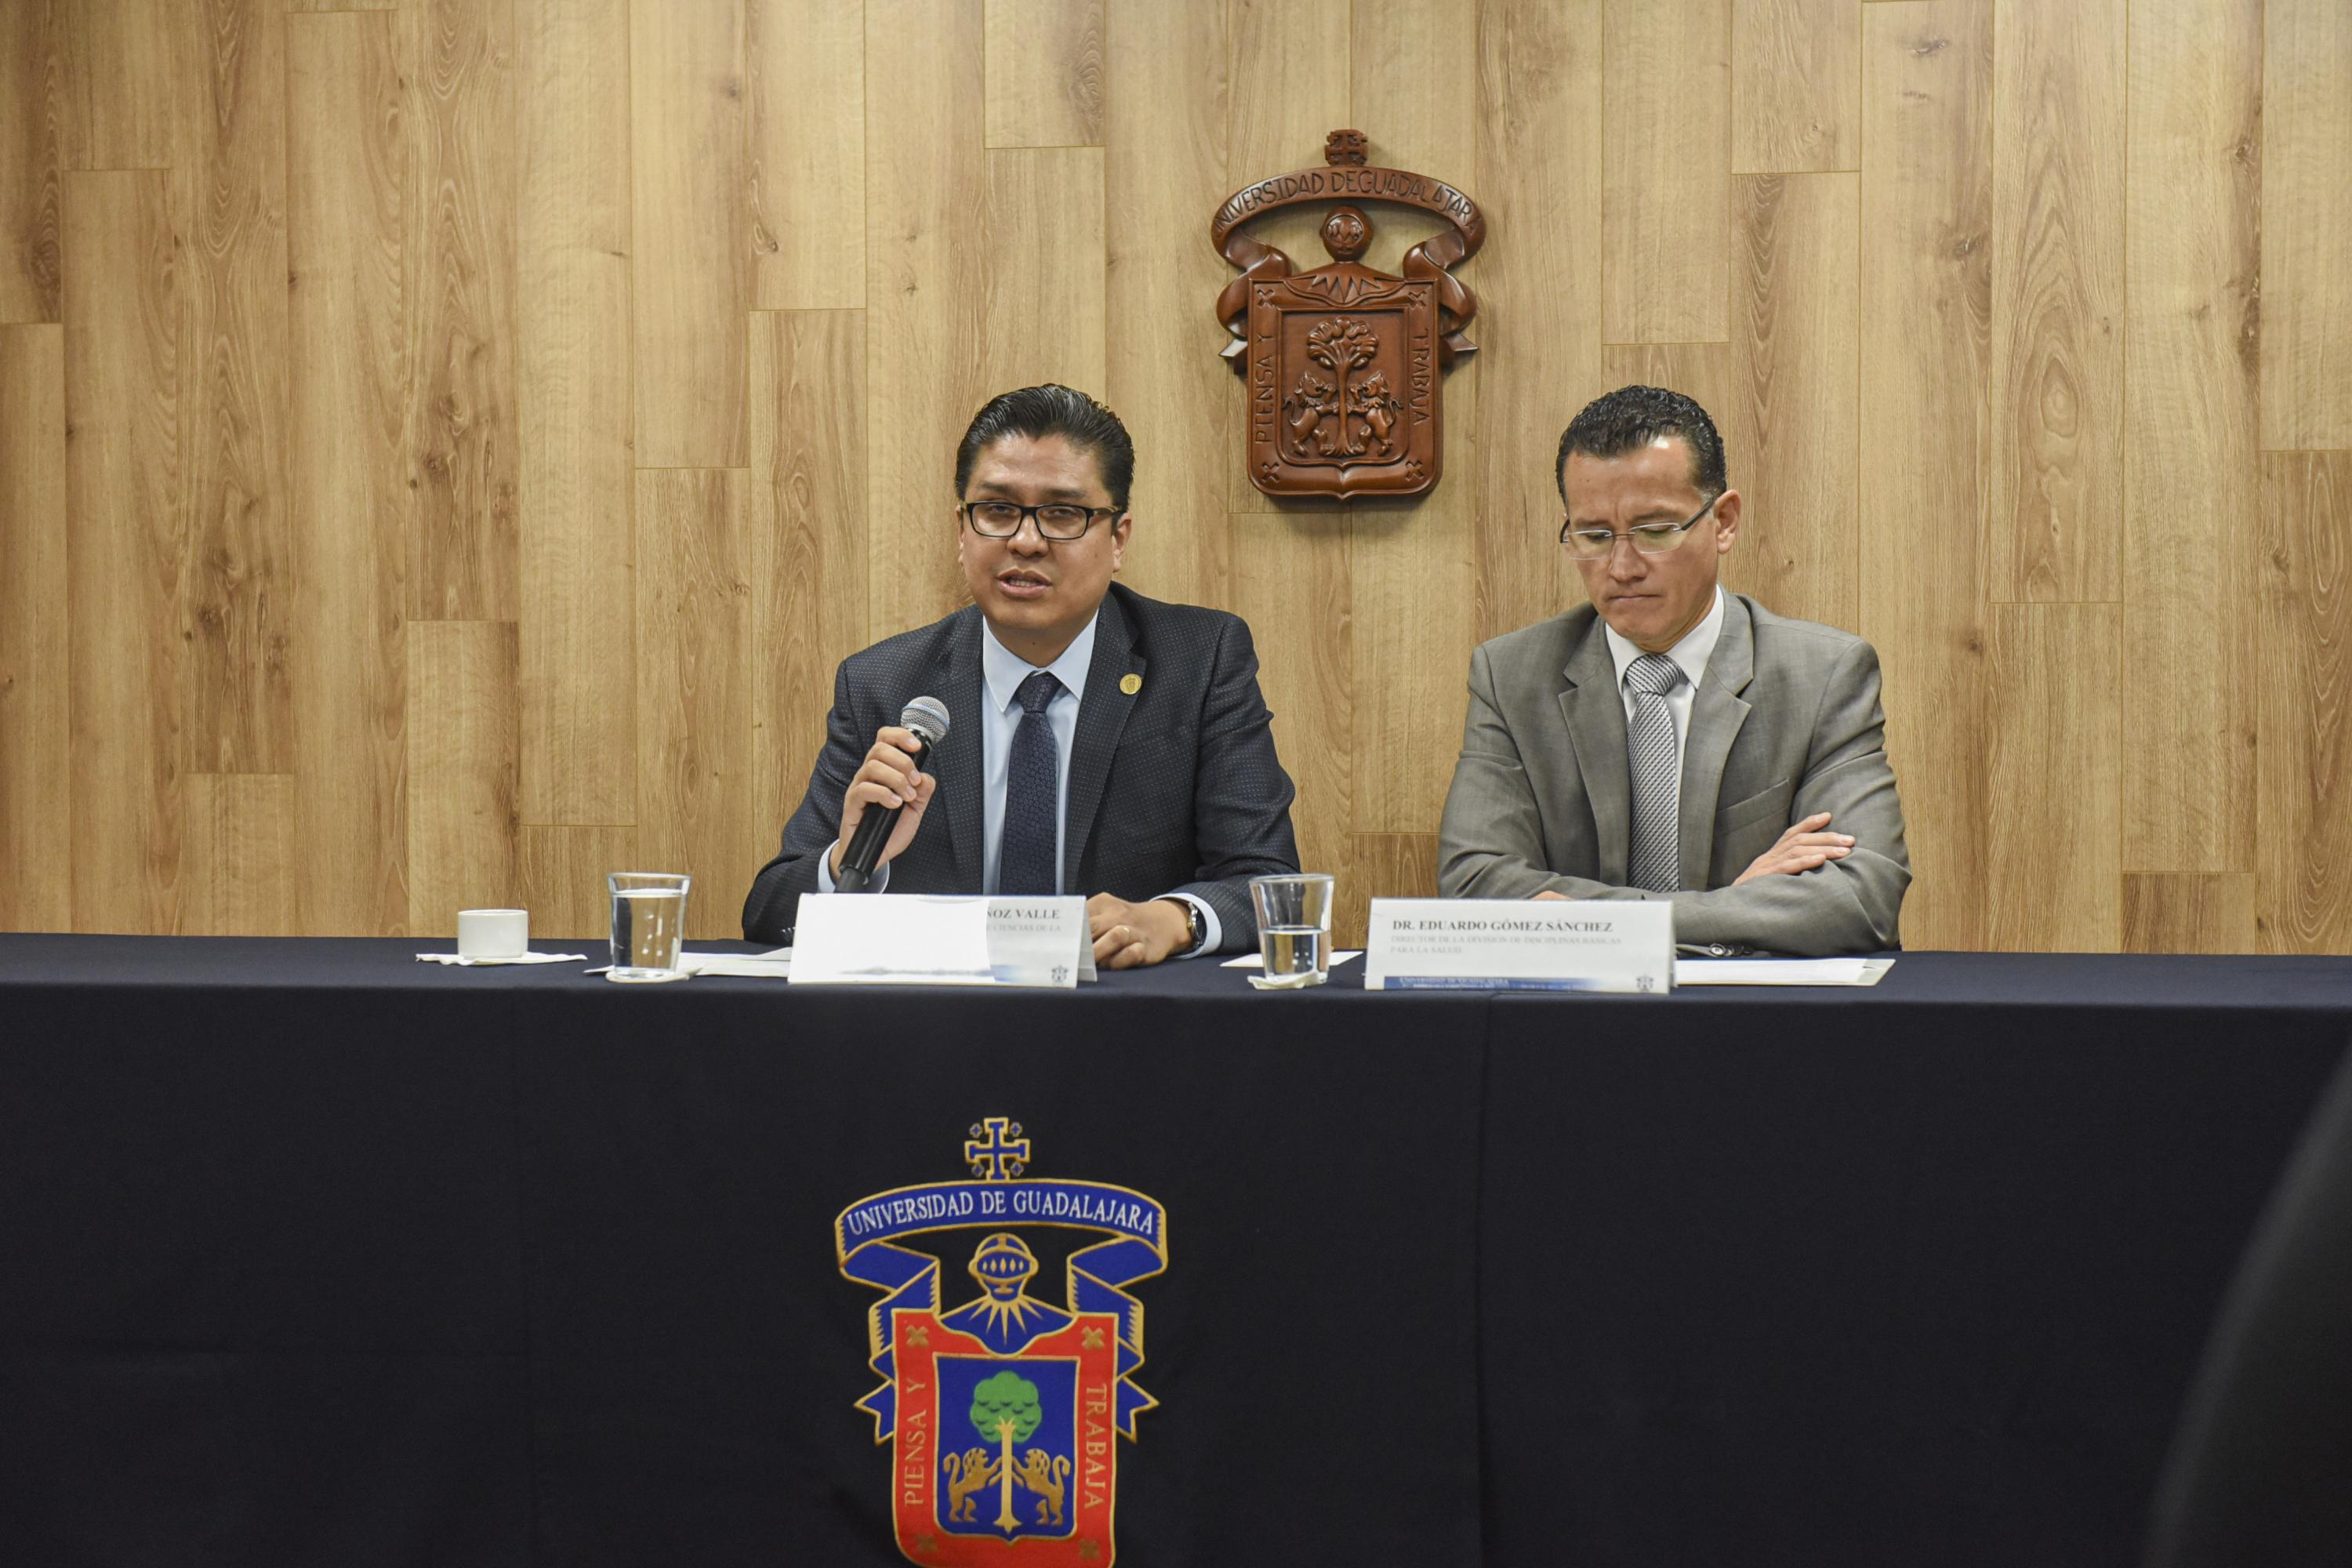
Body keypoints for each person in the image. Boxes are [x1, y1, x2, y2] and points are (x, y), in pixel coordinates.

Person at [742, 384, 1301, 965]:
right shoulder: (886, 683)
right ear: (963, 529)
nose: (1026, 541)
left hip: (1126, 1024)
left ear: (1118, 539)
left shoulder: (1198, 661)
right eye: (998, 510)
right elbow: (768, 913)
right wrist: (851, 862)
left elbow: (1269, 883)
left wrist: (1171, 919)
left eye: (1063, 513)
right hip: (939, 1034)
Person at [1436, 385, 1907, 956]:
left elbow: (1859, 899)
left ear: (1724, 522)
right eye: (1593, 536)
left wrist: (1584, 917)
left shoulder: (1824, 674)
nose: (1621, 566)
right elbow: (1474, 889)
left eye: (1655, 531)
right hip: (1572, 1027)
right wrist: (1730, 909)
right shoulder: (1511, 676)